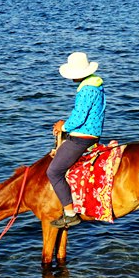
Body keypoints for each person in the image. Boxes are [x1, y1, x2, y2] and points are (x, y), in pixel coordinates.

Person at [47, 52, 105, 229]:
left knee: (53, 172)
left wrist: (63, 127)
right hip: (91, 133)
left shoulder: (86, 90)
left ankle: (70, 213)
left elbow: (79, 118)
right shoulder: (95, 85)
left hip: (82, 137)